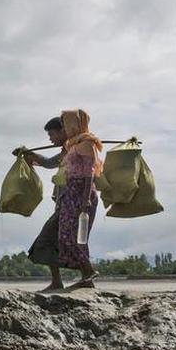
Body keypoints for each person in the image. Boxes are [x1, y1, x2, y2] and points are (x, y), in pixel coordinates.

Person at [22, 116, 72, 291]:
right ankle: (57, 281)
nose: (50, 139)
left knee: (47, 239)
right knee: (53, 241)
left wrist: (33, 156)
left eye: (52, 134)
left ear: (62, 132)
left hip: (70, 202)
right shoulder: (67, 150)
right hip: (64, 202)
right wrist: (30, 155)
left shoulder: (74, 149)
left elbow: (51, 163)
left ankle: (87, 274)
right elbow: (51, 163)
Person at [55, 109, 102, 290]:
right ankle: (86, 278)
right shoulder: (72, 145)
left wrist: (85, 200)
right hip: (70, 191)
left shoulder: (87, 144)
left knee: (76, 236)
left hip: (82, 192)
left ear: (74, 124)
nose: (65, 129)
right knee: (65, 235)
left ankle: (89, 272)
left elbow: (89, 173)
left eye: (66, 125)